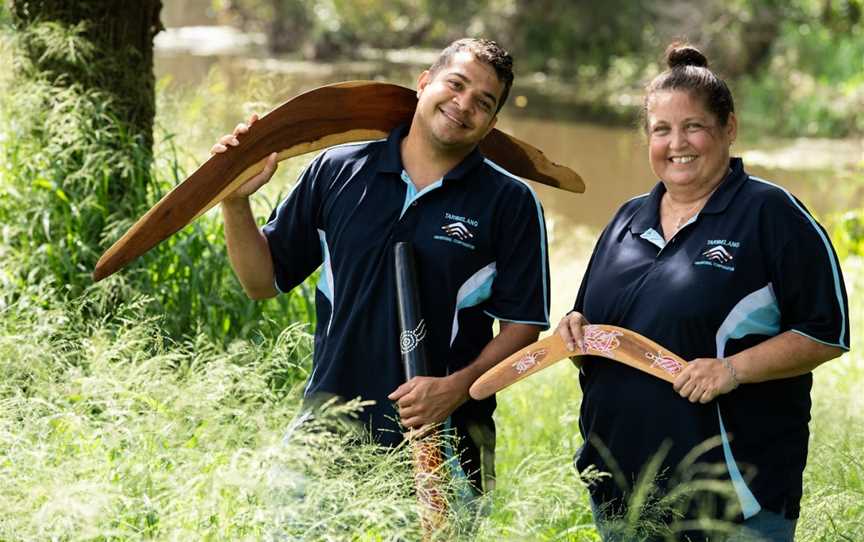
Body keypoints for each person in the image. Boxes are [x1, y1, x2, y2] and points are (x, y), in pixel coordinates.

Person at [211, 38, 550, 493]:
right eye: (456, 84)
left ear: (491, 123)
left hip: (446, 448)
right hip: (326, 428)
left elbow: (524, 326)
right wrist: (234, 204)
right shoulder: (337, 170)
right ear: (424, 82)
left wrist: (456, 389)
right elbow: (261, 281)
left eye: (482, 102)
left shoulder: (510, 203)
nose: (463, 104)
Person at [556, 43, 849, 541]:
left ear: (728, 128)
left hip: (731, 501)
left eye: (693, 126)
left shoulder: (770, 215)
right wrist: (575, 330)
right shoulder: (626, 219)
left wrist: (732, 370)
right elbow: (595, 321)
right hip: (620, 490)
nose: (677, 143)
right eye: (661, 130)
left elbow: (826, 333)